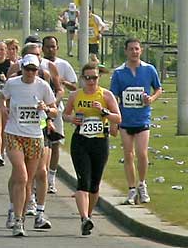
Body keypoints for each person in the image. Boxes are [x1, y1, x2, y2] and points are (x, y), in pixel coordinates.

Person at [0, 54, 57, 237]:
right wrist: (3, 107)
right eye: (27, 69)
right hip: (14, 133)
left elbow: (54, 110)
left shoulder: (43, 86)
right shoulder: (13, 83)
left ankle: (20, 218)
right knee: (22, 176)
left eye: (34, 69)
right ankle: (17, 218)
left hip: (34, 136)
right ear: (21, 68)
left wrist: (46, 109)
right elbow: (1, 97)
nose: (30, 73)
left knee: (27, 180)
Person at [63, 61, 121, 235]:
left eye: (94, 78)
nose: (91, 81)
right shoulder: (76, 95)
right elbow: (65, 114)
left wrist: (104, 112)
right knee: (83, 182)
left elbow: (118, 118)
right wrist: (72, 119)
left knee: (95, 185)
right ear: (82, 78)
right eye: (87, 78)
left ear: (99, 78)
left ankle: (88, 216)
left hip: (100, 142)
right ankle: (84, 218)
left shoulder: (106, 95)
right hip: (81, 141)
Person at [110, 37, 162, 205]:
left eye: (136, 49)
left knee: (142, 153)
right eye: (131, 49)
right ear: (125, 51)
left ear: (141, 51)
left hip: (142, 118)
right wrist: (114, 120)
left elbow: (158, 88)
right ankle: (131, 189)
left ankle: (142, 184)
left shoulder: (149, 69)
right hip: (125, 120)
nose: (134, 52)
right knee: (128, 154)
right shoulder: (119, 73)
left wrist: (151, 99)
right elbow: (113, 97)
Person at [42, 35, 78, 193]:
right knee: (42, 144)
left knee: (55, 143)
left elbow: (74, 87)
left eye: (53, 46)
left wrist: (63, 82)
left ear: (57, 48)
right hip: (39, 112)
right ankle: (40, 176)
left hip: (56, 110)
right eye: (47, 46)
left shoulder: (63, 65)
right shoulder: (38, 65)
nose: (50, 49)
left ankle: (51, 178)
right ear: (42, 49)